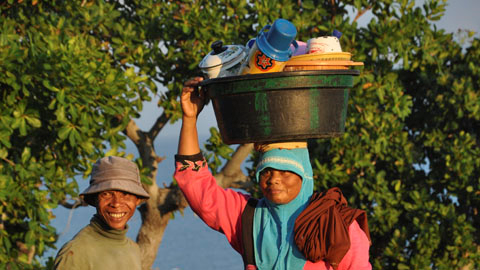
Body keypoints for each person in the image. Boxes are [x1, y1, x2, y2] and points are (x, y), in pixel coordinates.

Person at [174, 77, 372, 270]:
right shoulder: (246, 217)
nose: (274, 179)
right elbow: (195, 183)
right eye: (267, 171)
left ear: (304, 176)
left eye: (286, 172)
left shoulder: (337, 225)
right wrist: (190, 119)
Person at [54, 156, 150, 270]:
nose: (116, 203)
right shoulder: (75, 253)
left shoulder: (133, 249)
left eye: (125, 194)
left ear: (137, 200)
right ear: (95, 198)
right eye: (107, 194)